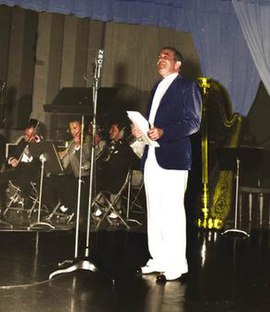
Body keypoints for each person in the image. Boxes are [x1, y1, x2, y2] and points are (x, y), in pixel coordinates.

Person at [132, 47, 202, 283]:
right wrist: (141, 129)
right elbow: (154, 125)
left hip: (173, 159)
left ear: (177, 64)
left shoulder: (187, 87)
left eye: (166, 56)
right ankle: (158, 259)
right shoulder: (156, 87)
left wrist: (164, 131)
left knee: (172, 211)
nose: (160, 59)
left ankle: (176, 264)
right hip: (152, 156)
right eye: (158, 56)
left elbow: (193, 123)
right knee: (155, 211)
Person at [93, 121, 139, 219]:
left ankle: (112, 208)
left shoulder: (125, 148)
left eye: (113, 129)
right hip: (107, 178)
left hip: (116, 180)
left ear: (121, 132)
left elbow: (120, 166)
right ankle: (101, 206)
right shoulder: (110, 146)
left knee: (100, 178)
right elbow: (99, 161)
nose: (110, 132)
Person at [0, 118, 42, 208]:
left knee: (24, 172)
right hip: (19, 170)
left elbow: (39, 166)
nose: (26, 138)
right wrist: (12, 160)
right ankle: (1, 203)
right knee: (2, 176)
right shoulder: (23, 142)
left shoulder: (42, 145)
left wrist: (30, 156)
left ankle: (26, 202)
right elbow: (12, 154)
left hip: (33, 173)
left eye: (29, 135)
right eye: (25, 134)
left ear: (36, 134)